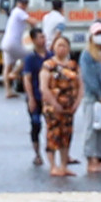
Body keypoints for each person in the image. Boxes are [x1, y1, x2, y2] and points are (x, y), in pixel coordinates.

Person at [38, 32, 81, 178]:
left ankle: (64, 165)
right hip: (53, 106)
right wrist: (54, 103)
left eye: (64, 46)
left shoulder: (73, 65)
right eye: (59, 45)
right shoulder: (48, 65)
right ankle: (53, 166)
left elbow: (80, 85)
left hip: (69, 106)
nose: (62, 48)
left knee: (66, 135)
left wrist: (77, 102)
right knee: (53, 134)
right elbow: (44, 87)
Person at [79, 27, 101, 175]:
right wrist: (99, 94)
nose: (100, 37)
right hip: (93, 97)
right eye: (97, 34)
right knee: (91, 129)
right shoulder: (87, 55)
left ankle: (99, 158)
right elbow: (88, 77)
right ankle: (90, 160)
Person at [15, 25, 49, 164]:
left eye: (44, 37)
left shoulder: (51, 56)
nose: (43, 40)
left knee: (52, 126)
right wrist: (30, 98)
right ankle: (37, 153)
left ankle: (52, 153)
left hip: (49, 98)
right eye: (40, 37)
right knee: (36, 124)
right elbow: (27, 79)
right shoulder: (30, 58)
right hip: (36, 95)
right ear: (34, 40)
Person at [3, 0, 34, 98]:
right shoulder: (19, 12)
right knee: (30, 56)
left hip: (5, 43)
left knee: (7, 66)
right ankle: (15, 72)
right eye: (23, 4)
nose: (24, 6)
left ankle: (8, 90)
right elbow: (32, 22)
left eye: (25, 4)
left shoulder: (14, 12)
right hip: (13, 43)